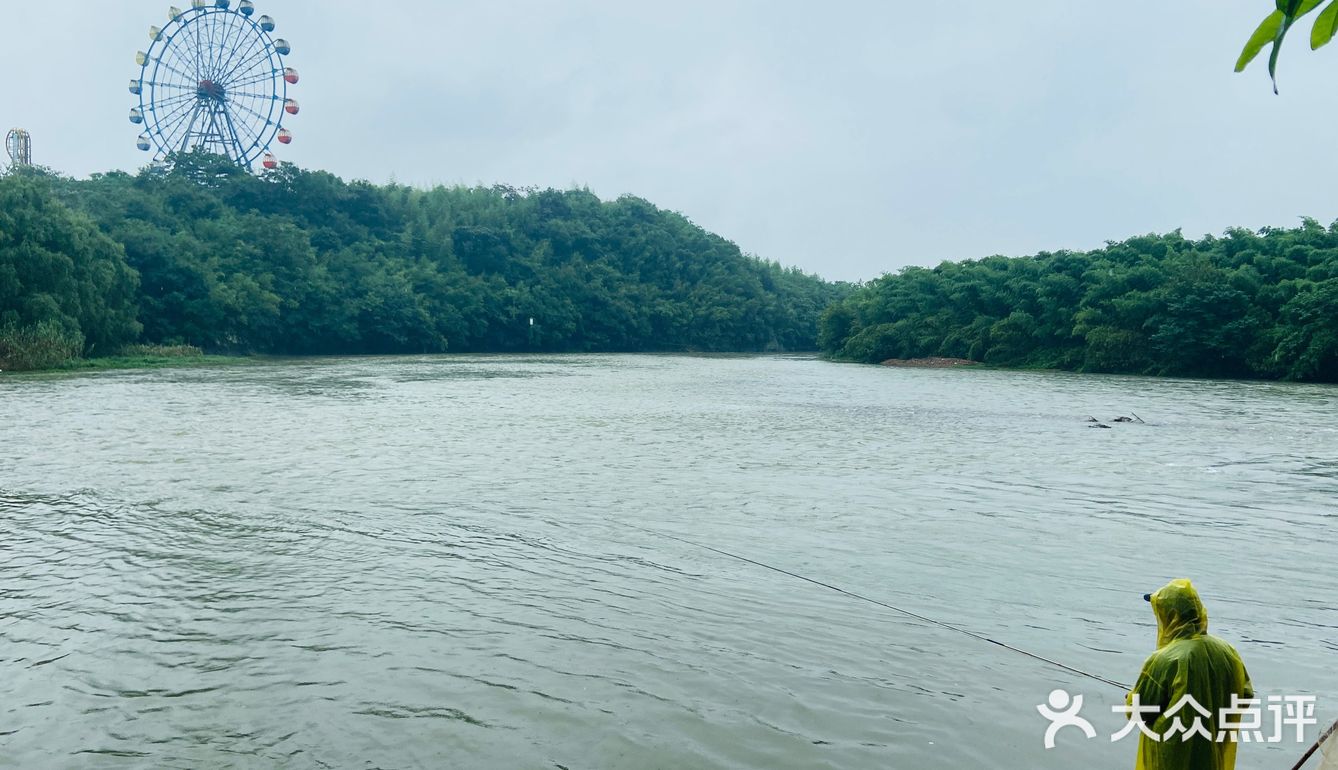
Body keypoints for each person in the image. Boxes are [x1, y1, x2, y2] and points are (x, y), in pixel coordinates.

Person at [1126, 578, 1254, 770]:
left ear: (1171, 616)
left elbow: (1137, 711)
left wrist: (1130, 698)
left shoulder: (1165, 659)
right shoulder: (1228, 652)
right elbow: (1245, 696)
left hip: (1170, 760)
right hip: (1212, 757)